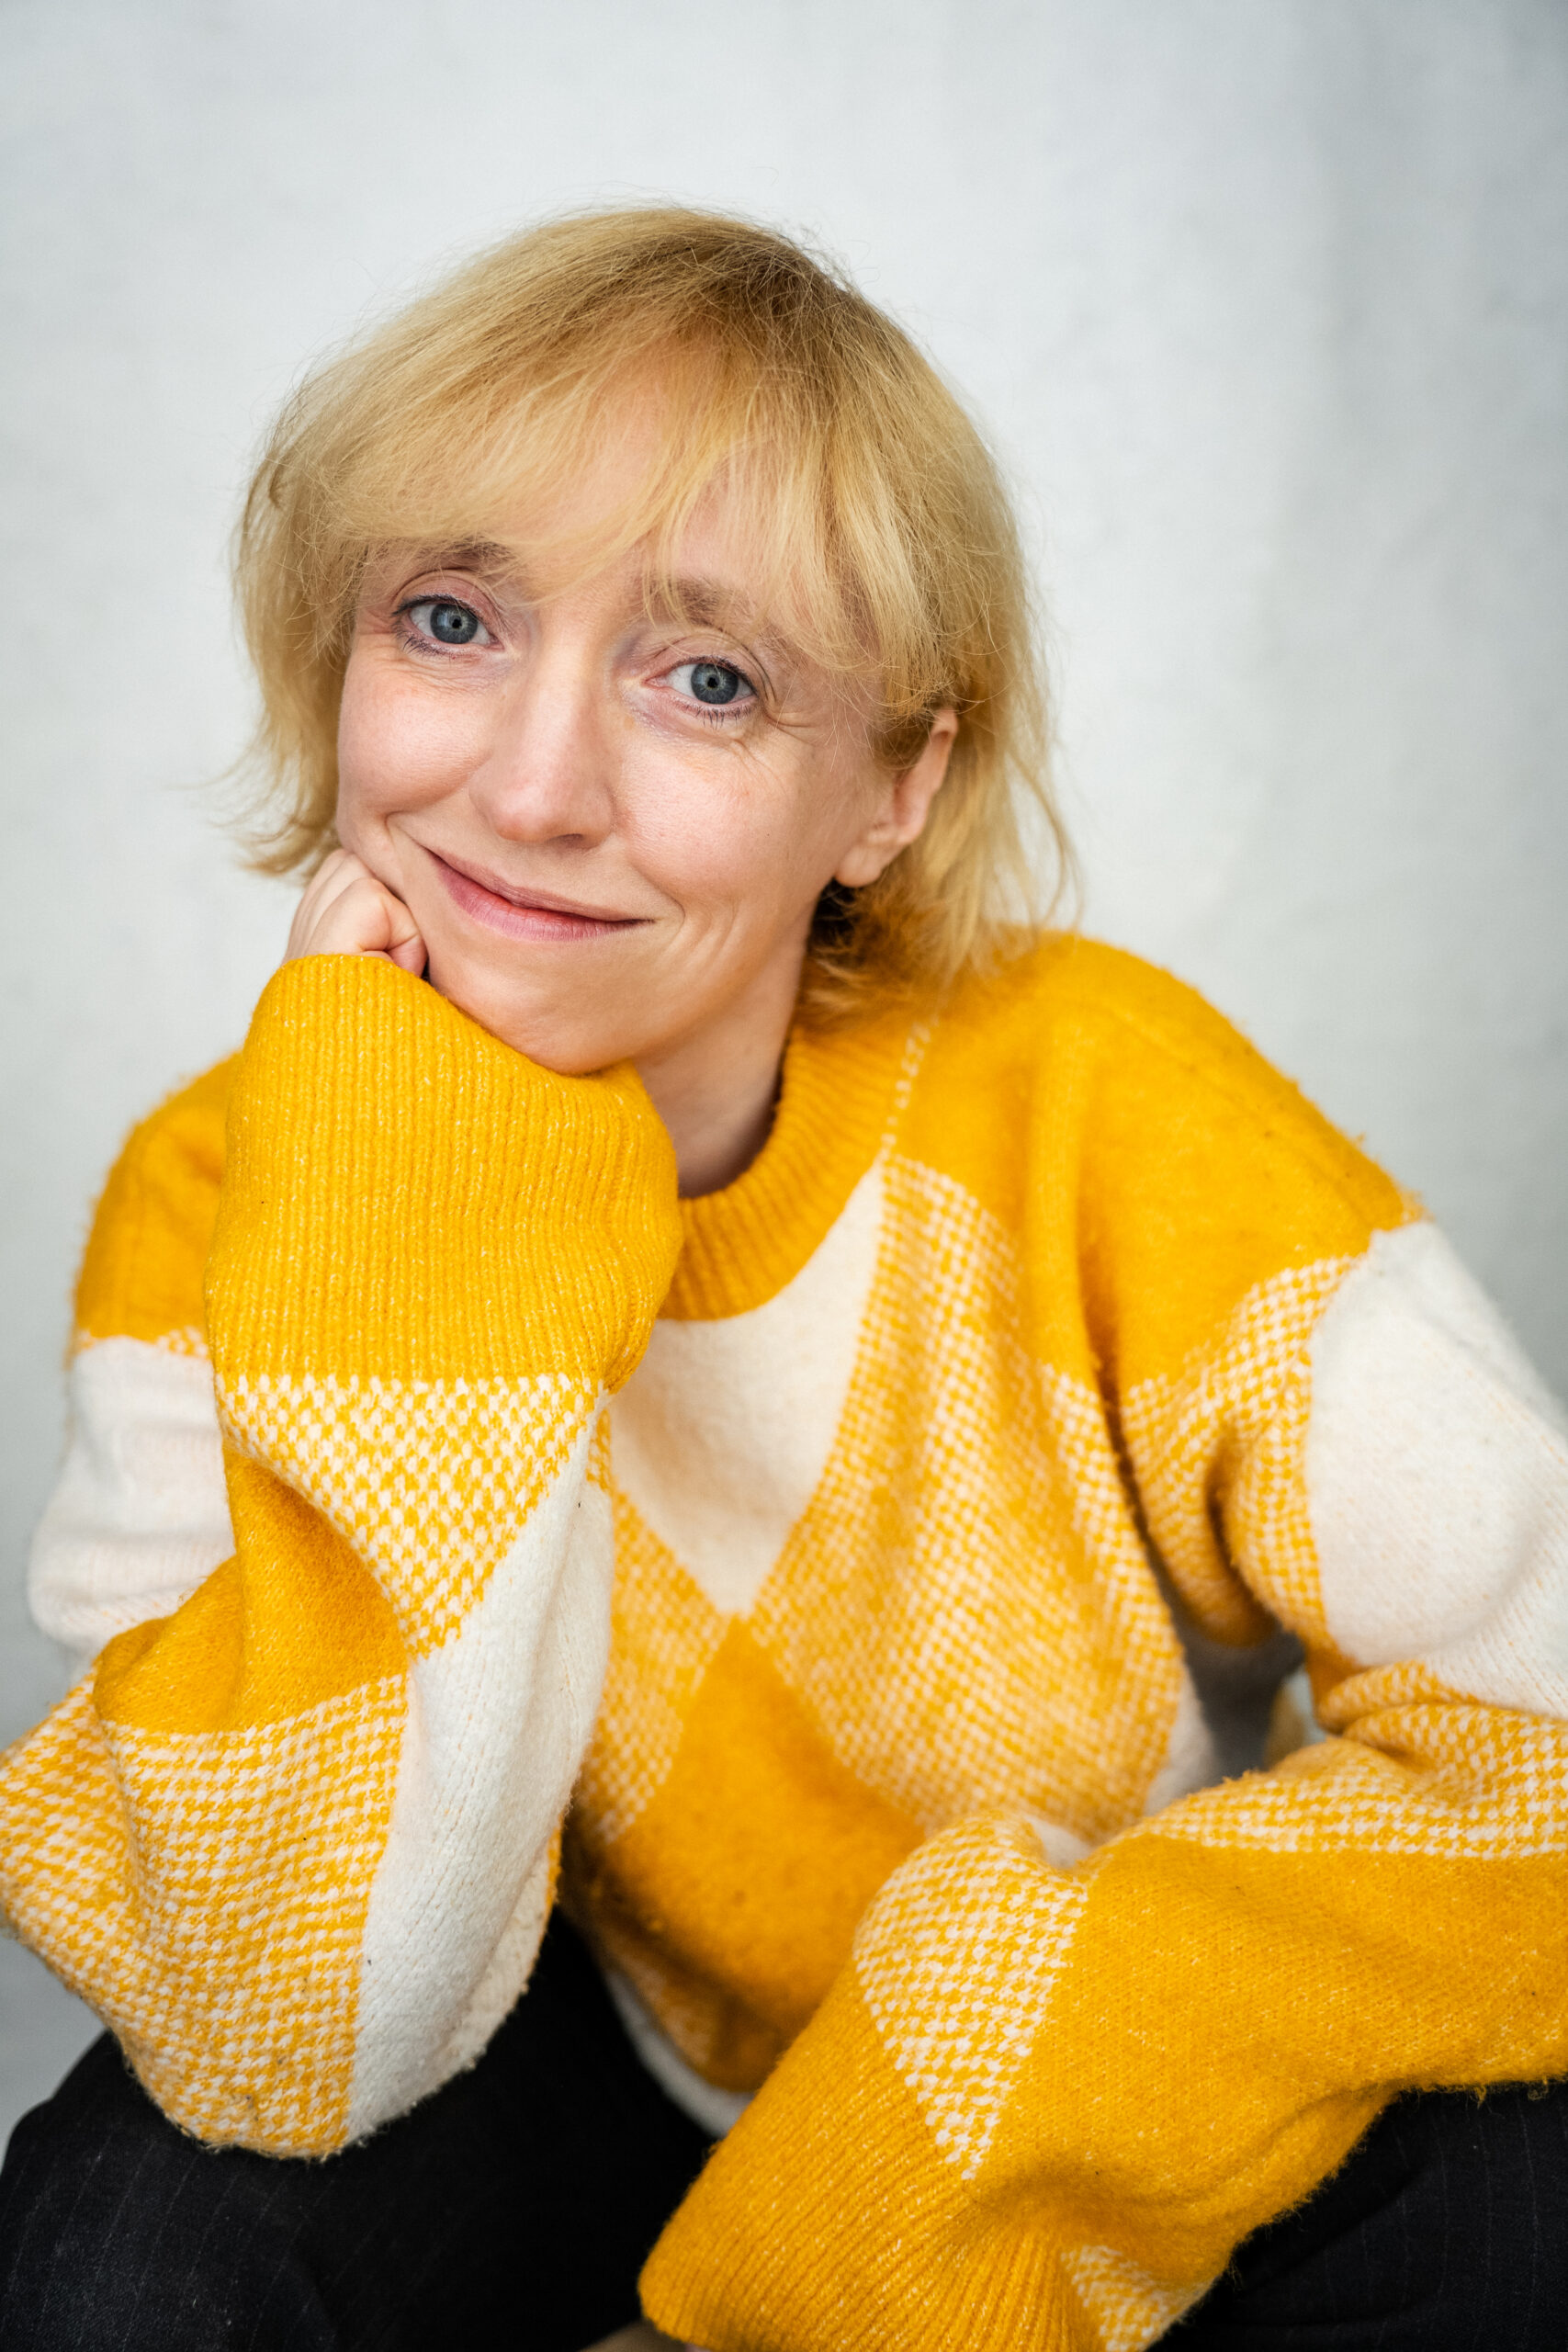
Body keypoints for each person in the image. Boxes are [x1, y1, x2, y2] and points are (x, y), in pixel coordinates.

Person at [0, 207, 1564, 2352]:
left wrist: (942, 2121)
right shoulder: (214, 1192)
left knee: (1527, 2199)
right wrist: (418, 1208)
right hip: (574, 2049)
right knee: (121, 2234)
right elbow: (272, 2018)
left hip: (1097, 2084)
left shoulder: (1105, 1107)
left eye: (707, 678)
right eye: (449, 618)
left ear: (892, 788)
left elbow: (1542, 1740)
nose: (529, 788)